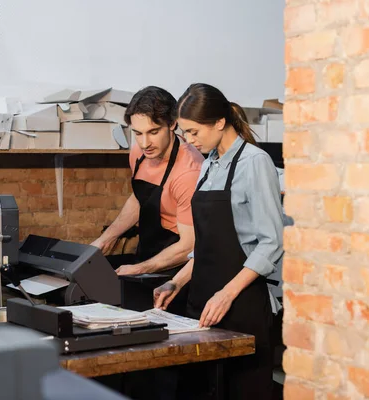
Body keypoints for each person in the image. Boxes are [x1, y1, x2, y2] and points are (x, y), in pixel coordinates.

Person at [154, 83, 284, 400]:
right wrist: (176, 281)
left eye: (194, 132)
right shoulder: (208, 165)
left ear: (220, 123)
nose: (189, 141)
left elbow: (272, 243)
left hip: (241, 304)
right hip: (204, 303)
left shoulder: (255, 162)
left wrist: (226, 294)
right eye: (184, 133)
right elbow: (207, 245)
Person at [90, 85, 204, 314]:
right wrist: (105, 239)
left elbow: (189, 246)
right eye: (137, 133)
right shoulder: (140, 152)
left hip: (179, 267)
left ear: (172, 124)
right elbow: (140, 198)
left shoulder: (188, 171)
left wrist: (139, 268)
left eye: (153, 132)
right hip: (148, 251)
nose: (144, 143)